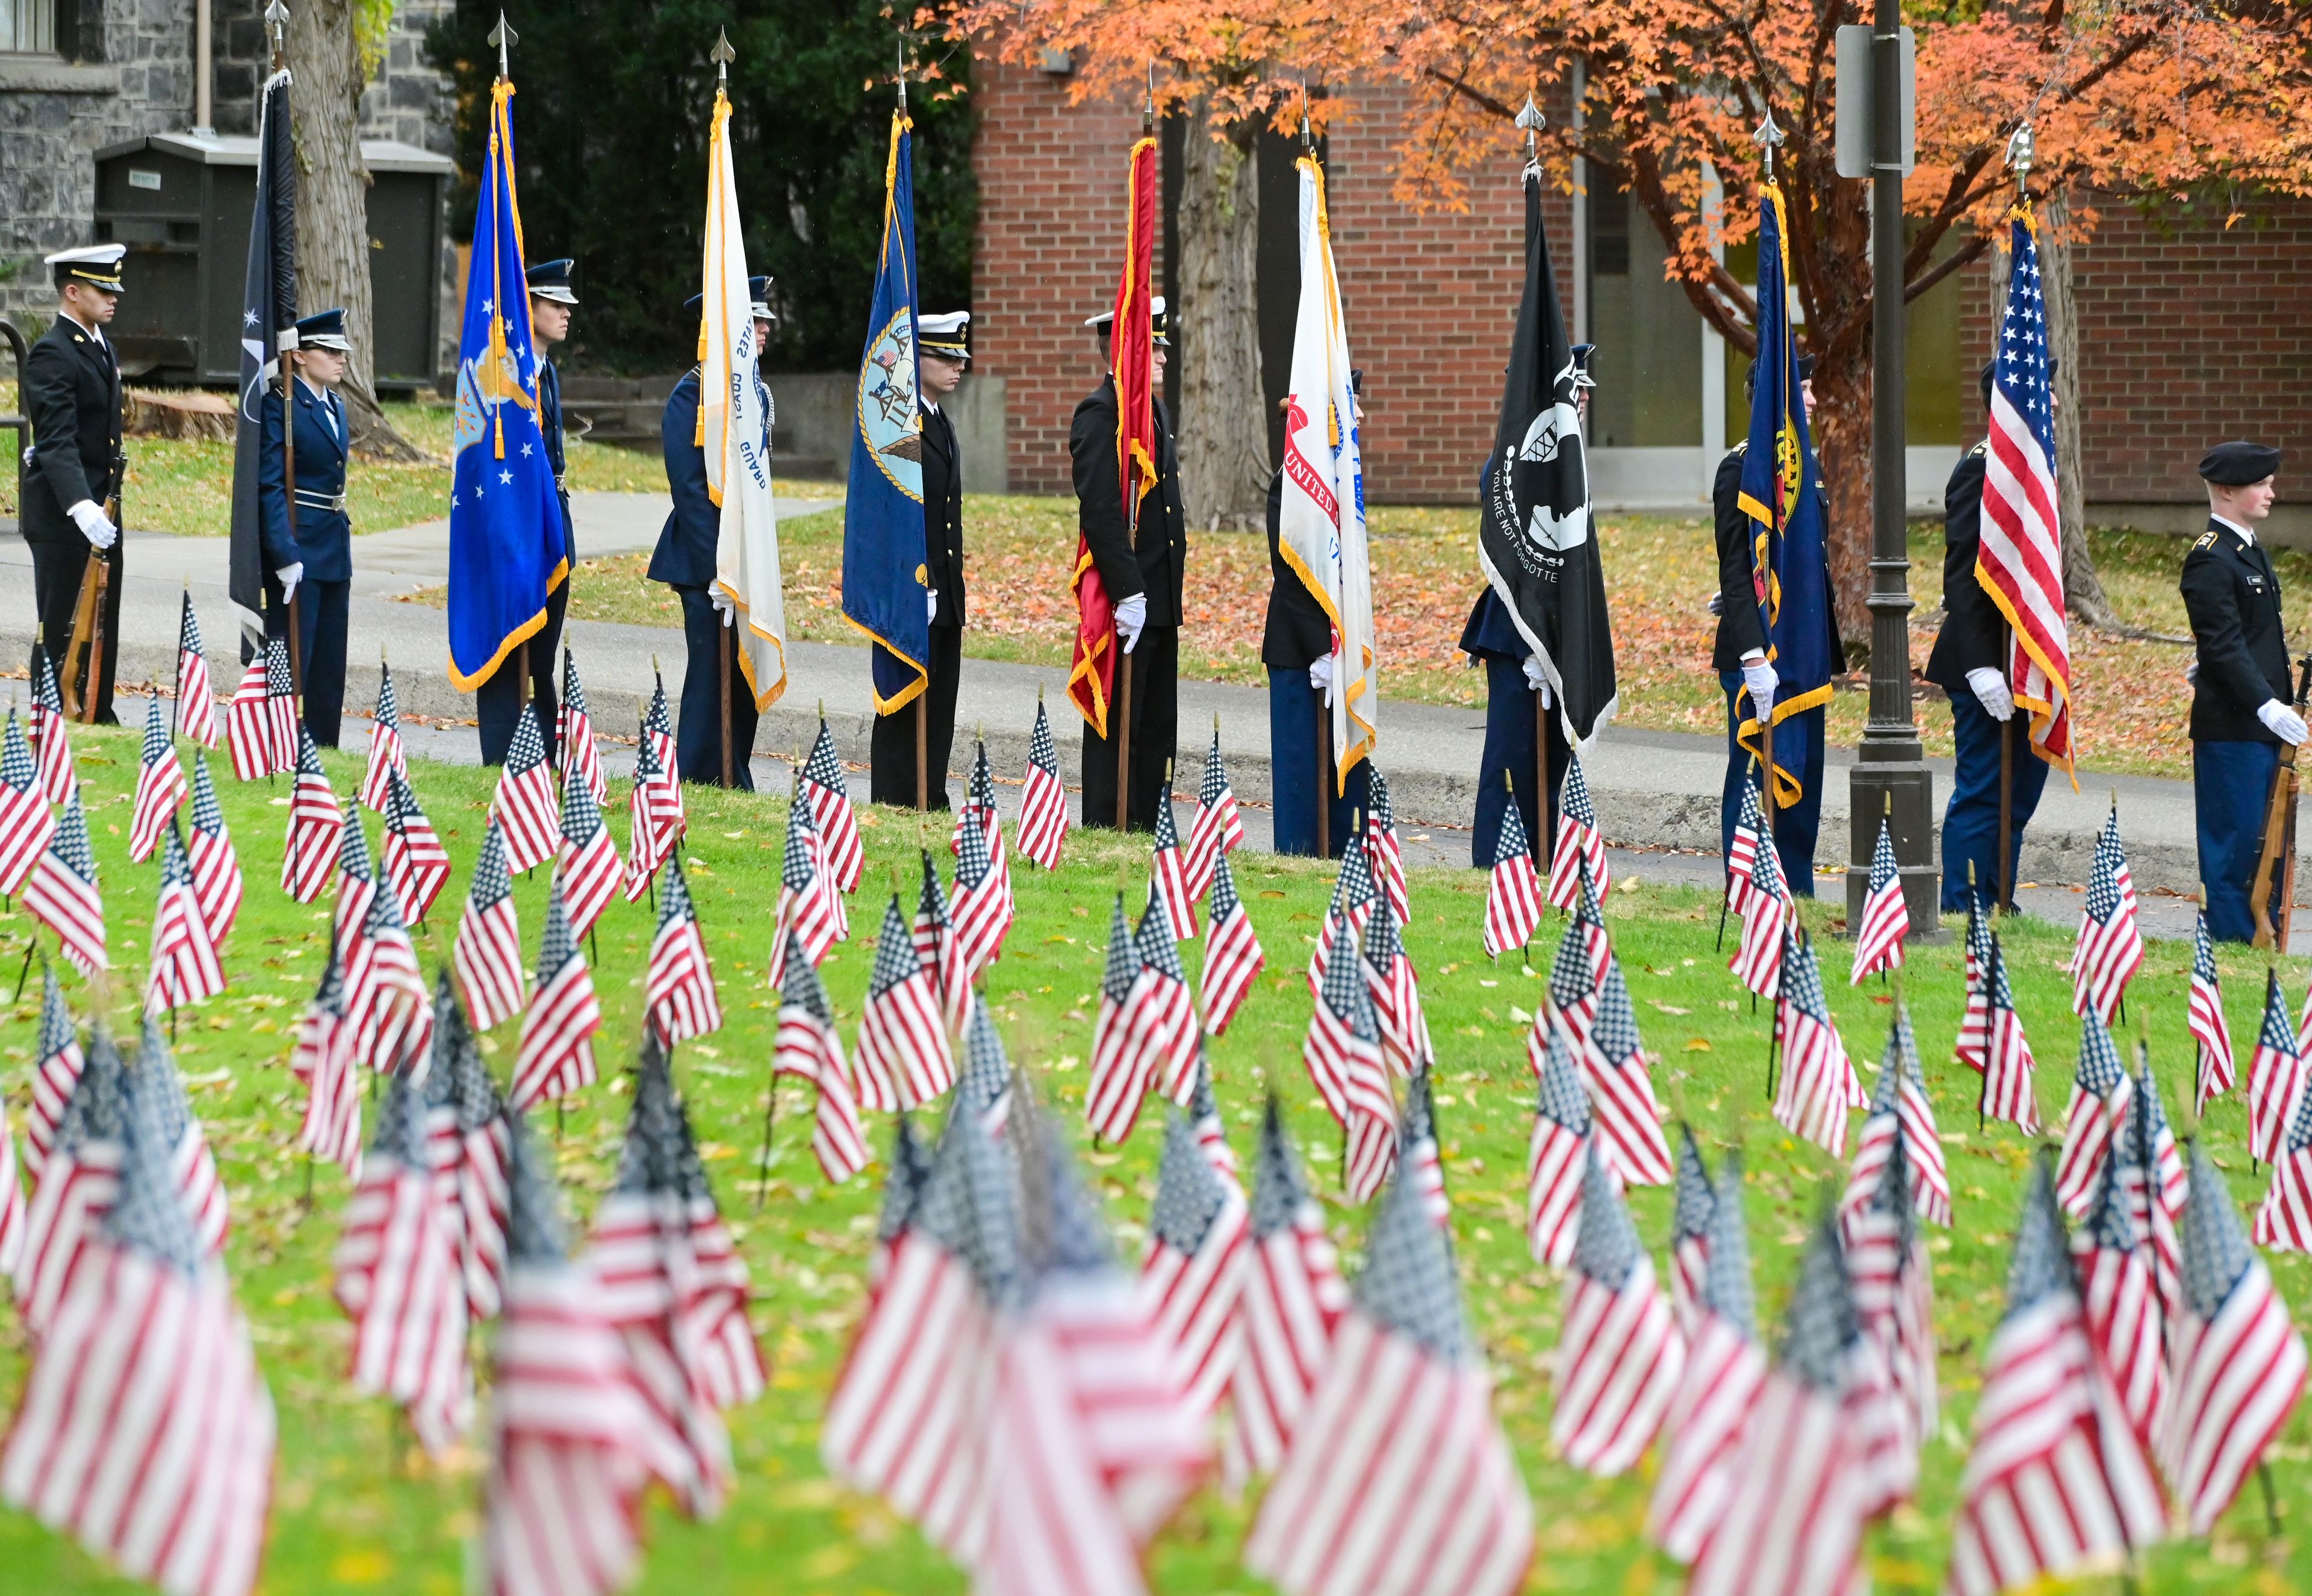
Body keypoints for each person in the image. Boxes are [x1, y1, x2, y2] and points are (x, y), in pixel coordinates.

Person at [1925, 361, 2055, 913]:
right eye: (2037, 390)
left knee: (2020, 791)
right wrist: (1981, 664)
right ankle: (1962, 902)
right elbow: (1963, 574)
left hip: (2026, 658)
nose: (2046, 400)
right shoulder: (1981, 469)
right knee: (1983, 789)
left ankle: (1999, 897)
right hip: (1985, 662)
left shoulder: (2033, 471)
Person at [1459, 343, 1593, 866]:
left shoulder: (1571, 458)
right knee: (1512, 759)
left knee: (1552, 762)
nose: (1580, 402)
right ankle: (1496, 861)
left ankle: (1539, 860)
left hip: (1558, 638)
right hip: (1518, 638)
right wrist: (1531, 638)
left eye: (1581, 393)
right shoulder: (1512, 458)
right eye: (1572, 392)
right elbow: (1517, 555)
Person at [1712, 353, 1839, 893]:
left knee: (1803, 774)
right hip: (1758, 654)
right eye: (1803, 389)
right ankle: (1749, 888)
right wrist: (1750, 656)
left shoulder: (1804, 468)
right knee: (1754, 772)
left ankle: (1797, 889)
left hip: (1803, 648)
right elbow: (1738, 569)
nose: (1812, 400)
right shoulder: (1741, 469)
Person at [649, 276, 774, 789]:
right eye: (755, 320)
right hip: (707, 560)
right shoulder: (695, 392)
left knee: (743, 670)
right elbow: (691, 491)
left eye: (765, 319)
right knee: (709, 671)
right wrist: (717, 570)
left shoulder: (753, 390)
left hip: (745, 559)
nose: (766, 328)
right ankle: (700, 773)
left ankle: (733, 767)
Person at [1072, 297, 1187, 831]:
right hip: (1129, 600)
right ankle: (1106, 821)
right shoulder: (1102, 413)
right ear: (1128, 349)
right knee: (1119, 722)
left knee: (1158, 723)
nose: (1164, 356)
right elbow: (1099, 509)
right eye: (1155, 346)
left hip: (1159, 598)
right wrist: (1128, 590)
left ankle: (1146, 822)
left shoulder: (1156, 413)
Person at [2183, 440, 2294, 943]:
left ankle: (2260, 932)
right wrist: (2266, 704)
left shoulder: (2248, 550)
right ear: (2227, 490)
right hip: (2234, 725)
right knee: (2235, 840)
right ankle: (2231, 939)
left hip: (2257, 723)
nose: (2272, 492)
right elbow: (2224, 646)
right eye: (2261, 484)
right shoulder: (2210, 558)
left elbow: (2247, 640)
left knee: (2265, 839)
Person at [1266, 368, 1374, 857]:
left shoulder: (1344, 481)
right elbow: (1291, 572)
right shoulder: (1293, 482)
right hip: (1300, 652)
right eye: (1351, 405)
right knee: (1301, 772)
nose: (1361, 415)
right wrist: (1319, 648)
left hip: (1340, 650)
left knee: (1344, 779)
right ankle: (1300, 858)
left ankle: (1347, 853)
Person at [476, 256, 579, 765]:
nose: (566, 313)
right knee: (510, 643)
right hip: (517, 527)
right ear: (528, 306)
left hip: (552, 523)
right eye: (554, 304)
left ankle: (540, 754)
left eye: (567, 305)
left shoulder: (547, 373)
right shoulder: (507, 375)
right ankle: (503, 753)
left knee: (542, 655)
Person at [21, 244, 128, 724]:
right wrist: (81, 507)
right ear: (71, 291)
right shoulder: (53, 352)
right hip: (68, 514)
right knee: (64, 618)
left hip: (101, 508)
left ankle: (95, 709)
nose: (113, 298)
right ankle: (51, 712)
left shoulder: (100, 345)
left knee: (102, 619)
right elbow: (57, 440)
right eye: (102, 289)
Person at [871, 310, 969, 807]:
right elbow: (897, 511)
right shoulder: (900, 424)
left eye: (961, 357)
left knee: (940, 704)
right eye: (946, 357)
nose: (959, 366)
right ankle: (896, 796)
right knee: (903, 699)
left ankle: (929, 792)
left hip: (943, 593)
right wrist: (919, 580)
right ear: (917, 359)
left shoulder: (938, 420)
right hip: (913, 587)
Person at [257, 308, 356, 747]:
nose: (340, 359)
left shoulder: (335, 405)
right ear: (298, 355)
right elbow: (271, 484)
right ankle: (280, 742)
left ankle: (323, 747)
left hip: (333, 542)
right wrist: (283, 552)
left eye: (342, 351)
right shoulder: (282, 407)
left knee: (329, 661)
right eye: (329, 351)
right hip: (300, 544)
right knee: (295, 654)